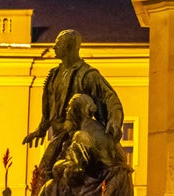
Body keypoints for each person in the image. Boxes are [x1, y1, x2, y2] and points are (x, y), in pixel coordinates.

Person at [23, 29, 124, 193]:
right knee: (46, 176)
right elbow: (50, 108)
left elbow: (109, 98)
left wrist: (114, 120)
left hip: (80, 136)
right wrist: (40, 130)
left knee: (60, 177)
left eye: (58, 44)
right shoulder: (54, 74)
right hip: (59, 136)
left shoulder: (87, 75)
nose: (54, 47)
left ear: (69, 46)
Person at [39, 94, 133, 196]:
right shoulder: (98, 128)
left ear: (78, 111)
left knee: (51, 187)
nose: (67, 110)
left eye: (69, 107)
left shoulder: (82, 134)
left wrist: (58, 167)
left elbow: (76, 168)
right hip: (114, 179)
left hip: (101, 181)